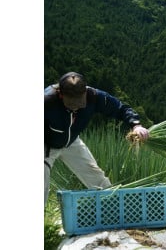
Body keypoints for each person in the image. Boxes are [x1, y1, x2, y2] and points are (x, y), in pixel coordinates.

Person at [44, 71, 150, 205]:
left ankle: (114, 209)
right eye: (71, 103)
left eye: (80, 103)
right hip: (46, 143)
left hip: (71, 141)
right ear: (61, 94)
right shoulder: (46, 101)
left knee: (97, 179)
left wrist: (136, 125)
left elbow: (121, 109)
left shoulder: (94, 96)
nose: (76, 106)